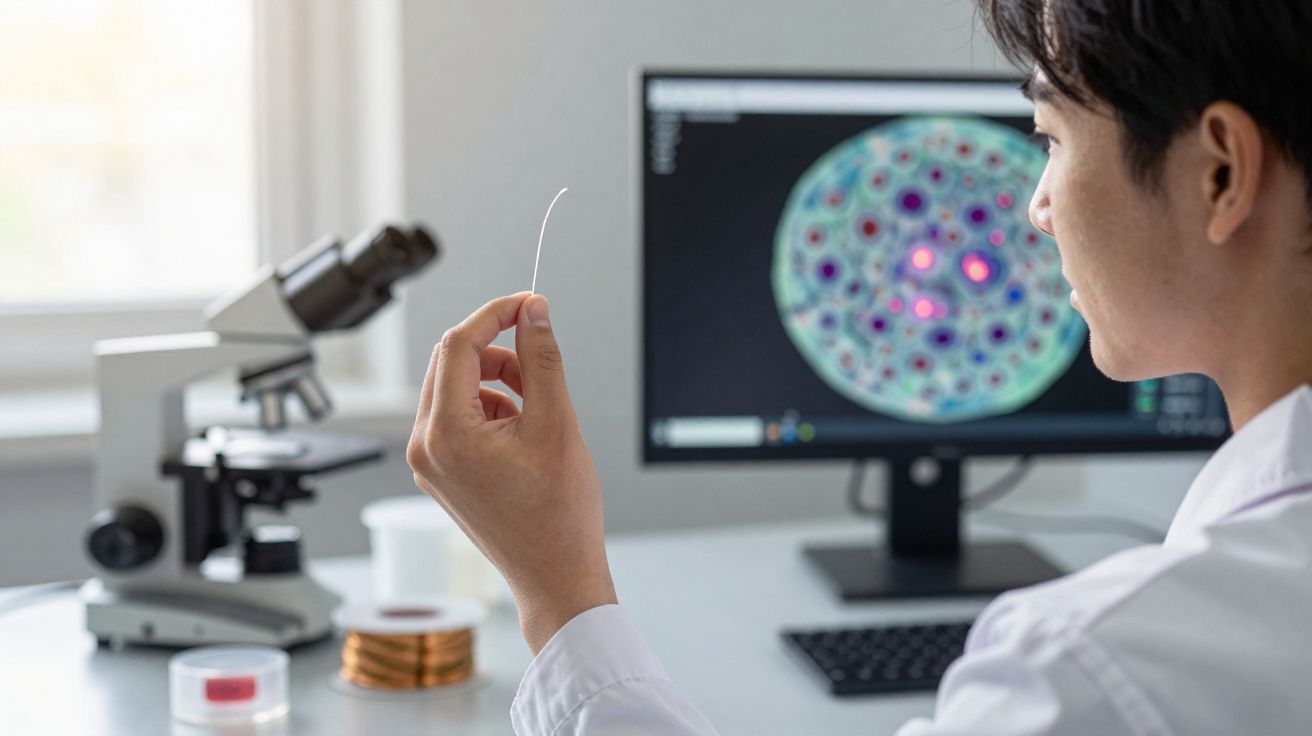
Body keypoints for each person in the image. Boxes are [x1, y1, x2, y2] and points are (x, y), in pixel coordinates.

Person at [406, 1, 1312, 732]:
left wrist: (556, 594)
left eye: (1050, 137)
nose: (1036, 207)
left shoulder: (1092, 674)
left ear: (1219, 175)